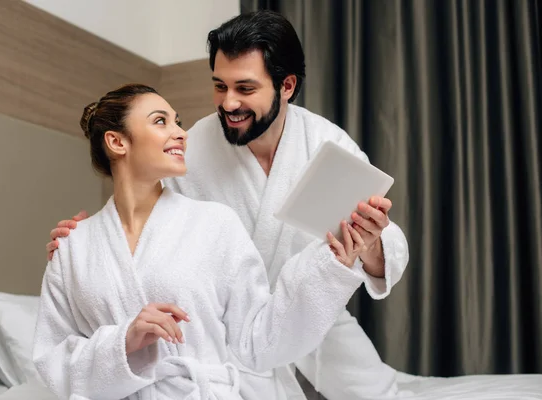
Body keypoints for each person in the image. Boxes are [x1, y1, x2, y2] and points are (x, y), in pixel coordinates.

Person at [45, 11, 410, 400]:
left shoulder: (326, 145)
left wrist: (369, 244)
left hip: (313, 313)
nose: (228, 102)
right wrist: (92, 243)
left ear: (286, 86)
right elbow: (151, 230)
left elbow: (387, 241)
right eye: (220, 86)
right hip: (226, 334)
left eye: (245, 88)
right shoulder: (194, 147)